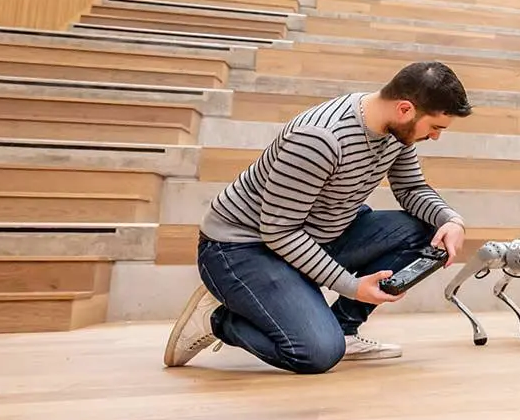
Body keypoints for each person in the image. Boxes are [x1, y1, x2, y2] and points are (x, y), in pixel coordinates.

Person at [164, 61, 473, 374]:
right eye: (435, 127)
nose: (435, 137)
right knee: (316, 353)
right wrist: (352, 286)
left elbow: (411, 188)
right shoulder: (320, 138)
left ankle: (343, 330)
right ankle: (218, 319)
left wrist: (450, 220)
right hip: (243, 246)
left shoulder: (396, 130)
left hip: (318, 232)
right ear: (405, 109)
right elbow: (279, 231)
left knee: (426, 232)